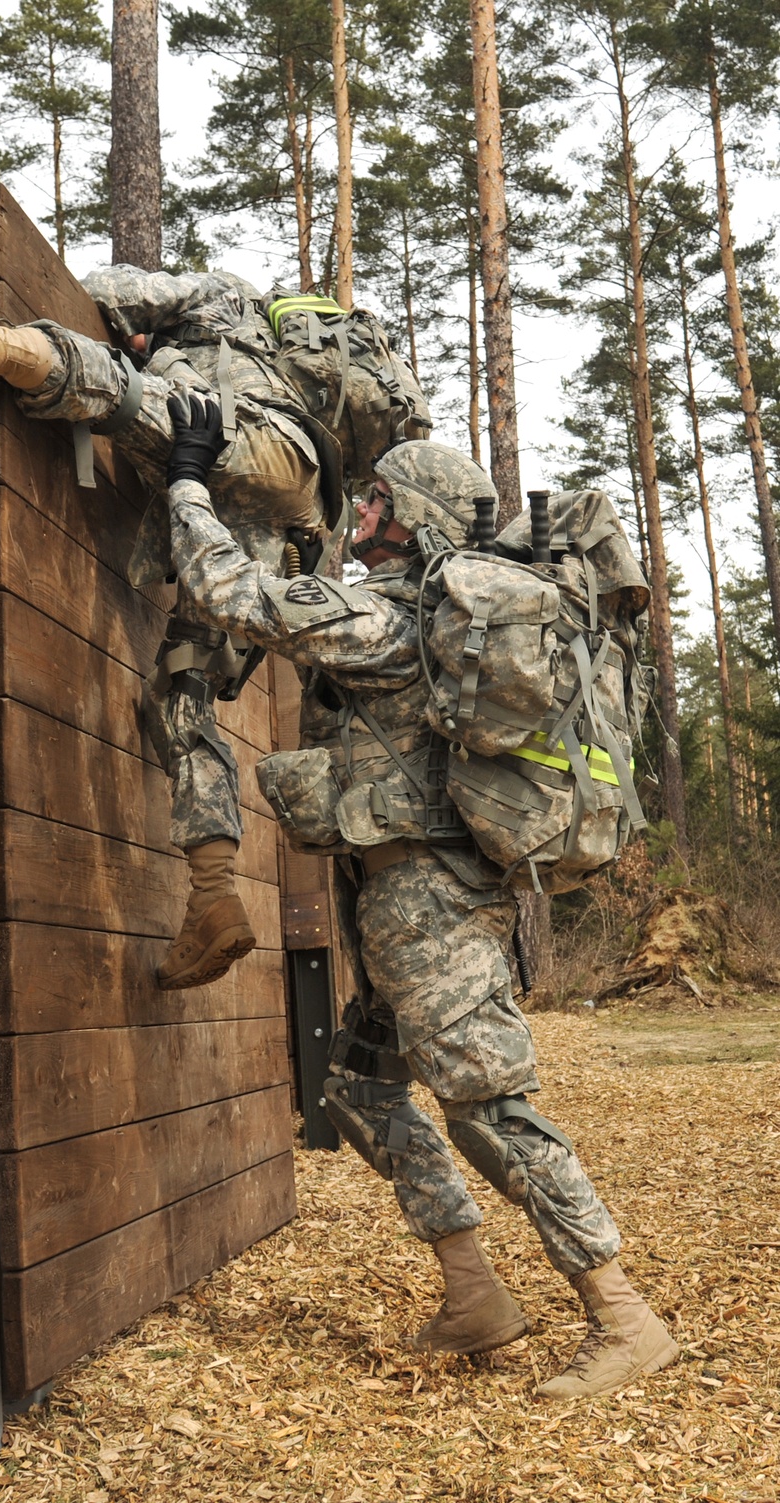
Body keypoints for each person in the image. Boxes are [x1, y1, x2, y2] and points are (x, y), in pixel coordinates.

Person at [160, 390, 681, 1398]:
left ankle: (623, 1315)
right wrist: (309, 534)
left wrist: (188, 482)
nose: (359, 515)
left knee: (488, 1102)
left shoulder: (389, 616)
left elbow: (229, 593)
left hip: (426, 902)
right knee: (359, 1089)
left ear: (410, 520)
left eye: (375, 503)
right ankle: (472, 1291)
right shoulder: (401, 616)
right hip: (401, 892)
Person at [0, 269, 429, 992]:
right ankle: (213, 894)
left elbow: (109, 287)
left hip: (226, 429)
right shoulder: (313, 383)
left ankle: (5, 350)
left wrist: (142, 336)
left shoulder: (224, 296)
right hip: (299, 494)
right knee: (181, 690)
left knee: (134, 395)